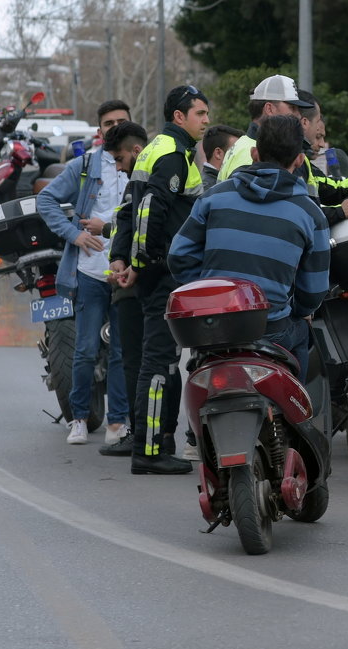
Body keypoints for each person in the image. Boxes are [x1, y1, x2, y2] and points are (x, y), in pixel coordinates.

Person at [169, 114, 330, 392]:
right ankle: (297, 417)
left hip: (212, 327)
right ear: (300, 161)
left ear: (254, 153)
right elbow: (313, 292)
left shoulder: (213, 197)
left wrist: (210, 290)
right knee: (303, 333)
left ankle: (196, 435)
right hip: (271, 328)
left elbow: (179, 256)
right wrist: (301, 311)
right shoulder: (310, 214)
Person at [109, 84, 210, 475]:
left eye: (206, 112)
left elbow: (127, 209)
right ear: (179, 117)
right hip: (164, 274)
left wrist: (124, 256)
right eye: (199, 113)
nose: (206, 119)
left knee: (162, 363)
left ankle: (158, 441)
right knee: (157, 364)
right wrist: (143, 260)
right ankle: (149, 452)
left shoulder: (157, 150)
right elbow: (150, 210)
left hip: (156, 272)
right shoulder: (170, 153)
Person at [36, 100, 134, 446]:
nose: (115, 127)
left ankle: (117, 424)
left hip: (128, 274)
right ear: (100, 131)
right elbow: (45, 200)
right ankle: (78, 418)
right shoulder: (84, 165)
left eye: (121, 121)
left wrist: (106, 226)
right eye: (109, 123)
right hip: (90, 272)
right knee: (85, 348)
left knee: (123, 350)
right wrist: (74, 234)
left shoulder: (143, 163)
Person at [220, 75, 348, 225]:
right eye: (292, 107)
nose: (299, 115)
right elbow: (276, 216)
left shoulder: (281, 149)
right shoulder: (248, 152)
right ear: (269, 109)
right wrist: (339, 213)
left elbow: (330, 188)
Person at [97, 121, 149, 457]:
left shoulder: (156, 178)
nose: (117, 167)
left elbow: (154, 233)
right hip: (130, 282)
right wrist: (117, 258)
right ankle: (139, 432)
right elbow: (126, 223)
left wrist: (136, 268)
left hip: (146, 285)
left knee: (144, 364)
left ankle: (147, 436)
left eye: (119, 159)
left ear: (136, 151)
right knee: (132, 362)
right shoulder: (137, 183)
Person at [199, 124, 242, 189]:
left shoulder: (210, 184)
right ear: (218, 153)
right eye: (235, 150)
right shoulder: (209, 189)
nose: (239, 155)